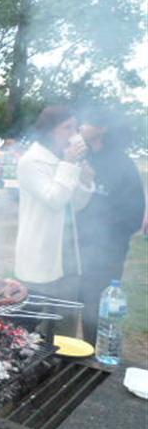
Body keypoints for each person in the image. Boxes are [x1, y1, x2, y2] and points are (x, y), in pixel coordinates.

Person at [14, 106, 93, 336]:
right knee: (36, 331)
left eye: (76, 127)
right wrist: (69, 164)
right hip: (40, 255)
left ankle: (64, 368)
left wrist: (85, 181)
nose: (74, 133)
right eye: (67, 127)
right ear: (50, 131)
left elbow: (75, 204)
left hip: (67, 256)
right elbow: (54, 199)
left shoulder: (64, 161)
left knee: (65, 327)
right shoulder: (32, 161)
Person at [77, 110, 145, 343]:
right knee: (76, 300)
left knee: (96, 305)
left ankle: (93, 353)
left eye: (86, 122)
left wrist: (103, 235)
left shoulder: (122, 163)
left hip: (107, 251)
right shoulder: (84, 158)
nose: (81, 126)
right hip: (78, 246)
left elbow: (134, 214)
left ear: (101, 128)